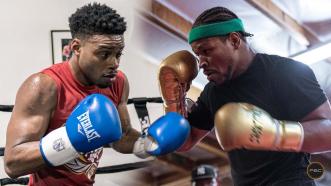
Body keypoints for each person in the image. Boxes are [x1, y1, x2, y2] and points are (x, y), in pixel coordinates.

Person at [4, 3, 189, 186]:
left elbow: (122, 136)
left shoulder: (117, 82)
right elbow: (12, 163)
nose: (114, 63)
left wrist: (147, 144)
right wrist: (70, 139)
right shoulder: (43, 86)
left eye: (118, 54)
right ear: (76, 48)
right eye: (104, 54)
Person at [158, 6, 331, 186]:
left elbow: (328, 133)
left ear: (234, 40)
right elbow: (185, 142)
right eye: (197, 55)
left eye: (206, 51)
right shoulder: (213, 92)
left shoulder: (285, 72)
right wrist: (173, 101)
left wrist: (277, 133)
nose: (201, 63)